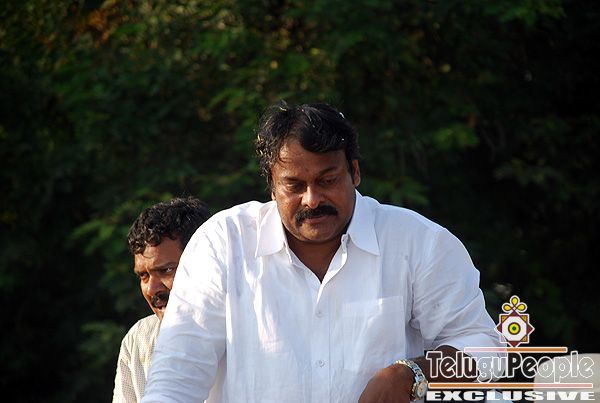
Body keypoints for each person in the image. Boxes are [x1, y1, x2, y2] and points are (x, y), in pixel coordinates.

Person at [142, 102, 503, 403]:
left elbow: (485, 349)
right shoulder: (223, 244)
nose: (312, 200)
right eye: (294, 186)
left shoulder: (418, 242)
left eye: (328, 180)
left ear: (354, 173)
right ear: (272, 185)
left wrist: (412, 374)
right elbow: (177, 376)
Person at [112, 197, 211, 403]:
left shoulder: (249, 329)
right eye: (143, 276)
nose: (151, 289)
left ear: (207, 263)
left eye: (166, 270)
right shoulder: (138, 340)